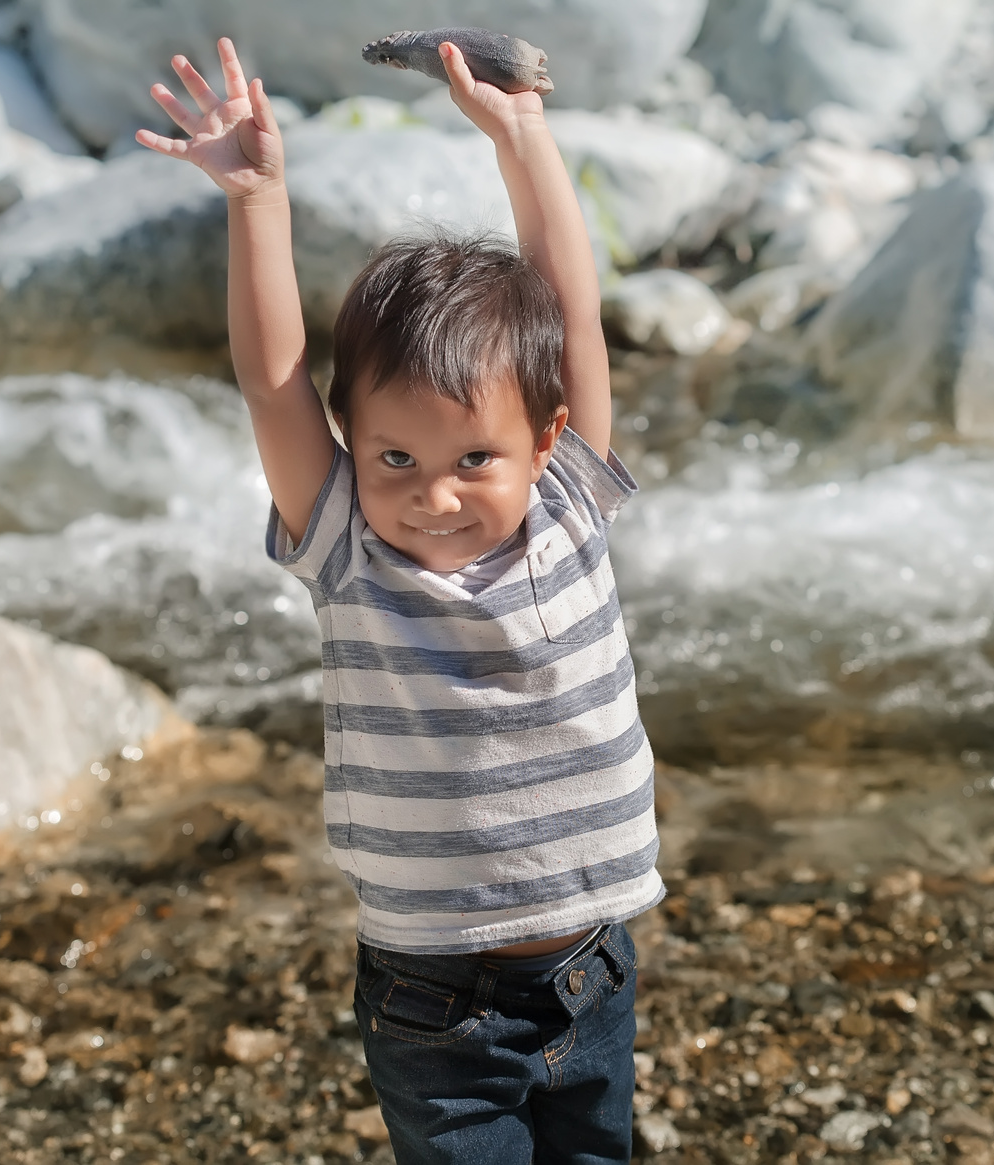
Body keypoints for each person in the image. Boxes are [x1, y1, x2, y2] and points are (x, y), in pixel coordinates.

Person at [137, 37, 662, 1164]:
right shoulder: (348, 554)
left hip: (592, 974)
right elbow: (273, 381)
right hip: (437, 1007)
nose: (432, 496)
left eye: (474, 459)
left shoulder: (569, 505)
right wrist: (256, 199)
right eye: (391, 461)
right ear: (352, 454)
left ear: (546, 439)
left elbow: (570, 321)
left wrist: (520, 134)